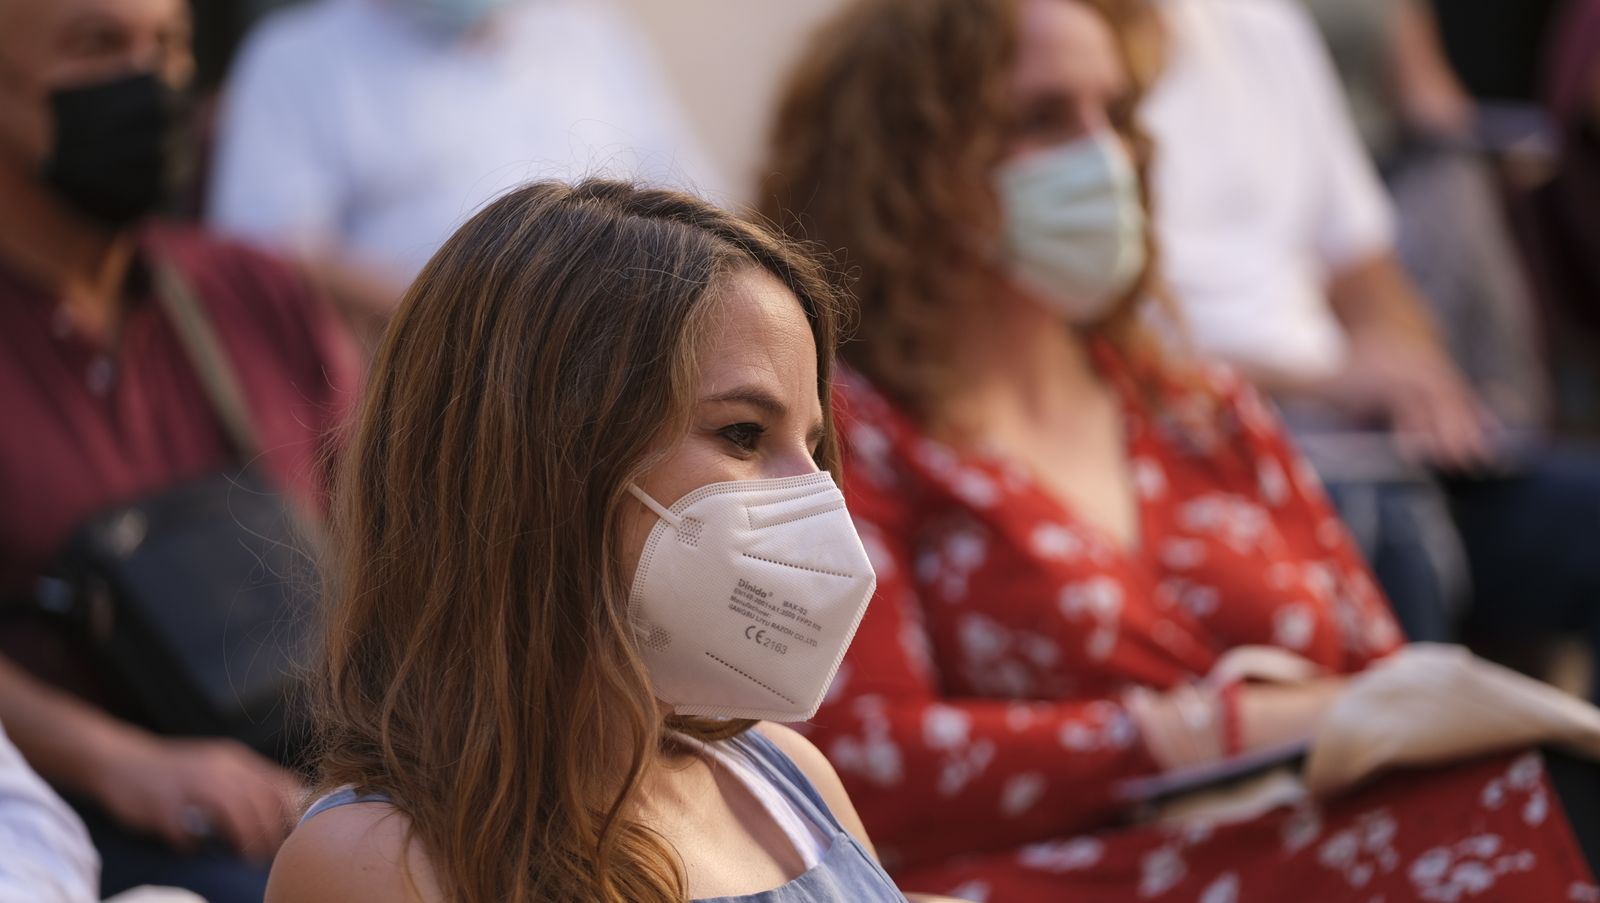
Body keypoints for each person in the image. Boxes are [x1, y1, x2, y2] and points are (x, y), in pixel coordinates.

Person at [757, 0, 1599, 898]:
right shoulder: (842, 431)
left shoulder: (1196, 405)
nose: (1104, 156)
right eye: (1042, 119)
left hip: (1316, 843)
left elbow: (1383, 683)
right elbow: (860, 761)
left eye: (1115, 115)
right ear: (908, 158)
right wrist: (1217, 730)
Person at [264, 179, 968, 903]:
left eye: (814, 446)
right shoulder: (378, 860)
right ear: (544, 463)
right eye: (742, 433)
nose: (815, 495)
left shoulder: (780, 779)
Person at [0, 0, 358, 898]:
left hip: (313, 777)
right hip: (80, 829)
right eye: (94, 45)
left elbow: (389, 529)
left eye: (166, 46)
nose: (149, 80)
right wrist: (125, 763)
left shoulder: (254, 292)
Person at [1142, 0, 1600, 668]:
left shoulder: (1264, 28)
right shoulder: (1051, 58)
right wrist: (1325, 379)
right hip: (1211, 449)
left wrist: (1416, 372)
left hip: (1355, 438)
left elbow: (1369, 275)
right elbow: (1089, 348)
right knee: (1386, 541)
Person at [207, 0, 724, 342]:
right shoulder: (296, 58)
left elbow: (695, 204)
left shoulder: (591, 36)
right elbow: (270, 258)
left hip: (619, 361)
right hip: (418, 382)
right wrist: (477, 318)